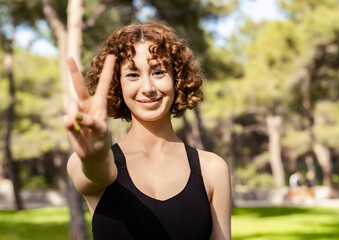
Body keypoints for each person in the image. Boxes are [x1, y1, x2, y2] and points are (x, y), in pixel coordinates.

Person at [63, 22, 231, 240]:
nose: (148, 88)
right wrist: (95, 155)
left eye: (159, 72)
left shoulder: (212, 169)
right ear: (117, 84)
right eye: (133, 74)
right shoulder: (87, 162)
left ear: (177, 78)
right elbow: (98, 173)